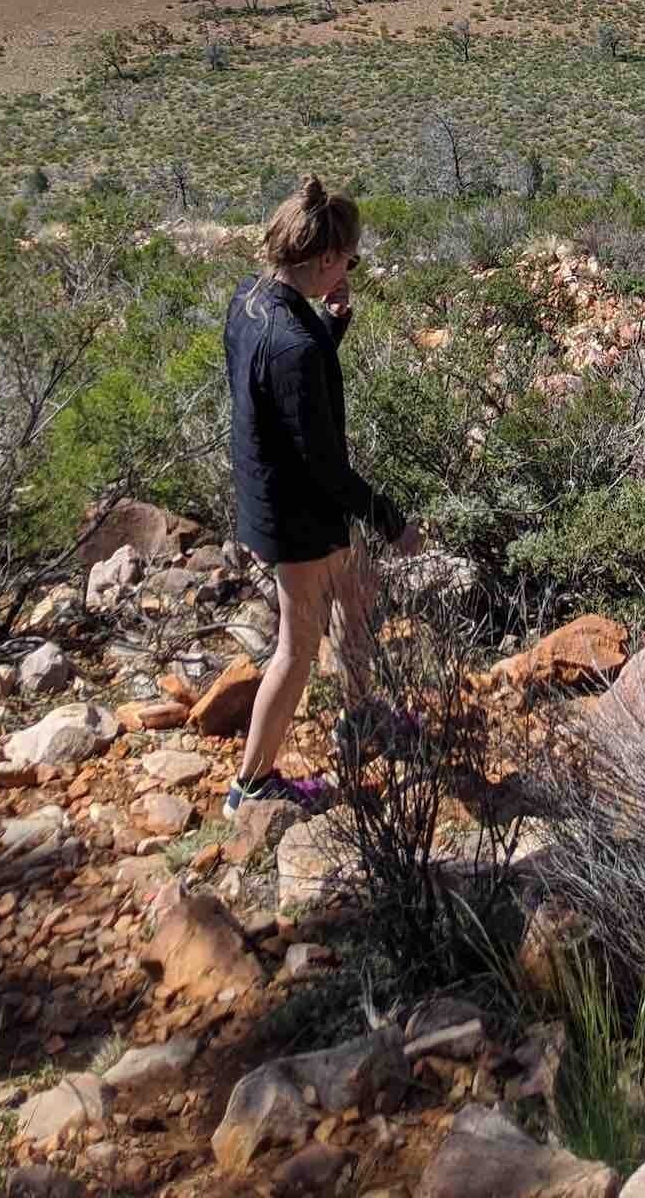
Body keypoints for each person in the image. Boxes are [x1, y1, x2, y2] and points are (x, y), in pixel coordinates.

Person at [222, 174, 420, 817]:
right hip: (298, 512)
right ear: (328, 260)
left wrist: (330, 327)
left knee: (356, 594)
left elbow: (279, 395)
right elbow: (328, 467)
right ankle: (250, 785)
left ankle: (361, 713)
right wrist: (393, 521)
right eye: (350, 259)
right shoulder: (297, 346)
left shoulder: (250, 300)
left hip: (268, 488)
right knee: (297, 648)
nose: (350, 270)